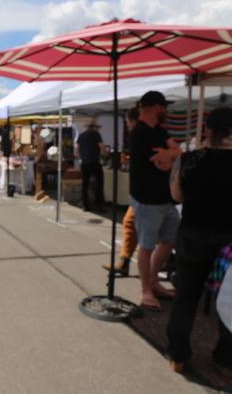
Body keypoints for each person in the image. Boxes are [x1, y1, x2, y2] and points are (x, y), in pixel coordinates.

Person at [166, 107, 232, 373]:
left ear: (208, 130)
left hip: (193, 233)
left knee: (186, 296)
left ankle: (178, 355)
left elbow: (177, 196)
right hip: (229, 241)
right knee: (229, 300)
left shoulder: (189, 159)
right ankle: (226, 359)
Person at [129, 91, 181, 311]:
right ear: (157, 107)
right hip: (147, 199)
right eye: (164, 107)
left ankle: (153, 281)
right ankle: (146, 291)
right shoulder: (140, 132)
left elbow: (177, 151)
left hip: (164, 198)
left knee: (170, 240)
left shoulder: (159, 130)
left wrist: (170, 153)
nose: (166, 111)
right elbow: (163, 162)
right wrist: (170, 153)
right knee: (147, 246)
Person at [102, 105, 140, 276]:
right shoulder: (141, 135)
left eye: (127, 122)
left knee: (147, 236)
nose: (128, 125)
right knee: (130, 224)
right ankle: (124, 262)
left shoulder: (144, 134)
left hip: (149, 195)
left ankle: (150, 282)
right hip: (142, 193)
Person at [75, 119, 105, 212]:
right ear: (94, 127)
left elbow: (76, 149)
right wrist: (104, 153)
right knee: (99, 183)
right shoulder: (96, 134)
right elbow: (102, 146)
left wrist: (81, 157)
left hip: (84, 163)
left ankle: (85, 206)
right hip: (95, 162)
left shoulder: (81, 135)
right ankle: (98, 205)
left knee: (85, 184)